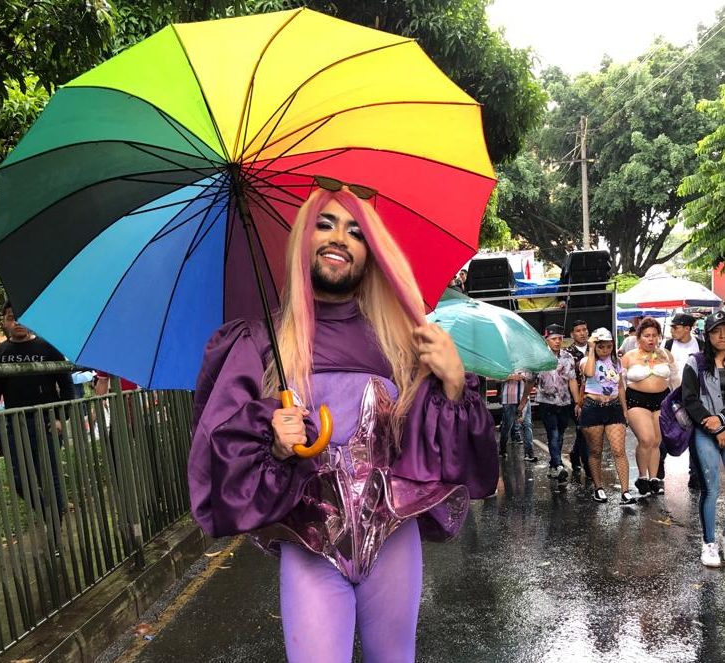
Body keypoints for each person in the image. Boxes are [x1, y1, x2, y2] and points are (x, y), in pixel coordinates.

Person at [188, 184, 498, 662]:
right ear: (302, 241)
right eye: (325, 225)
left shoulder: (403, 344)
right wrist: (272, 441)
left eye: (356, 231)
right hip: (308, 544)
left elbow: (440, 458)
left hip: (393, 539)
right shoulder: (262, 343)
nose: (339, 239)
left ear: (371, 253)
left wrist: (454, 384)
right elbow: (222, 453)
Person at [0, 301, 75, 517]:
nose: (18, 322)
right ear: (4, 322)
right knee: (19, 479)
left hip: (47, 422)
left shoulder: (48, 347)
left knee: (50, 475)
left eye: (22, 316)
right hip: (15, 425)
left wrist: (62, 418)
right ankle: (49, 514)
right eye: (12, 317)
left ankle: (57, 522)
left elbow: (67, 384)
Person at [681, 310, 725, 567]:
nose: (722, 335)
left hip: (719, 425)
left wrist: (722, 421)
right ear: (707, 335)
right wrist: (716, 427)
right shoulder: (695, 362)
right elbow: (689, 399)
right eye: (716, 331)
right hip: (704, 430)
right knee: (711, 487)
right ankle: (709, 543)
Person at [578, 328, 636, 505]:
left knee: (619, 450)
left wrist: (625, 410)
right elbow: (588, 374)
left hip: (614, 407)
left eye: (609, 346)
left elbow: (620, 387)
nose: (605, 350)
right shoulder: (586, 361)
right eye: (601, 347)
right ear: (595, 346)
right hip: (592, 407)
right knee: (595, 451)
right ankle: (598, 487)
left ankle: (625, 491)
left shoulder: (616, 362)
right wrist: (590, 348)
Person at [621, 317, 675, 497]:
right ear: (639, 338)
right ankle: (642, 476)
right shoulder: (629, 357)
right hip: (637, 400)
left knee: (657, 442)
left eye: (654, 335)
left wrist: (678, 403)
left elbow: (674, 380)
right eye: (646, 336)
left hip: (663, 400)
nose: (651, 339)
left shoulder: (666, 354)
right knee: (646, 438)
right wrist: (621, 408)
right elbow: (620, 384)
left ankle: (654, 479)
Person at [659, 313, 704, 490]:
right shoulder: (667, 344)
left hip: (694, 397)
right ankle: (658, 470)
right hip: (671, 397)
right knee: (665, 431)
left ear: (687, 328)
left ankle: (695, 475)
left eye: (675, 327)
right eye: (671, 327)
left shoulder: (700, 345)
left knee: (696, 433)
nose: (672, 330)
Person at [535, 324, 580, 482]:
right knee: (552, 433)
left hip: (565, 401)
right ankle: (559, 465)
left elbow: (572, 380)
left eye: (560, 338)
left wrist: (577, 402)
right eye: (553, 339)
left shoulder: (567, 357)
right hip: (546, 401)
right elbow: (529, 380)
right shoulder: (539, 357)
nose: (557, 341)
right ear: (546, 339)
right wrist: (522, 402)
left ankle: (554, 465)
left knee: (560, 435)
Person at [565, 319, 592, 483]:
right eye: (578, 330)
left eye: (584, 329)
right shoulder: (568, 353)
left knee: (586, 430)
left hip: (595, 395)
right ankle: (588, 465)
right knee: (584, 429)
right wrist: (576, 401)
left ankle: (575, 454)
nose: (582, 333)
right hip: (576, 397)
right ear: (572, 334)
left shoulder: (596, 348)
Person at [498, 370, 537, 463]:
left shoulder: (527, 361)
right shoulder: (506, 360)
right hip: (509, 398)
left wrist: (525, 378)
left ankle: (529, 453)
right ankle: (502, 449)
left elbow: (532, 379)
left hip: (524, 398)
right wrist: (511, 376)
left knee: (527, 425)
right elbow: (496, 377)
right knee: (507, 426)